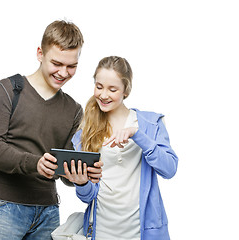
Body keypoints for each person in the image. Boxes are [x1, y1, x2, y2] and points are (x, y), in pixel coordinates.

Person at [0, 20, 102, 240]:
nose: (63, 72)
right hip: (0, 208)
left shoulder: (73, 109)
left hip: (48, 213)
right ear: (40, 53)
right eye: (57, 63)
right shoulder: (7, 90)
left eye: (72, 66)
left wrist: (82, 176)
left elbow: (64, 169)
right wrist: (35, 163)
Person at [64, 56, 178, 240]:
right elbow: (88, 197)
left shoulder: (150, 123)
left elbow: (170, 169)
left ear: (126, 90)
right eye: (99, 86)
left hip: (142, 232)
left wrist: (137, 135)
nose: (103, 95)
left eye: (112, 89)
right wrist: (81, 183)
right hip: (101, 231)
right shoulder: (86, 132)